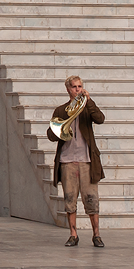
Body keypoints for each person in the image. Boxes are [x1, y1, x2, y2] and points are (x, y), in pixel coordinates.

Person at [46, 75, 106, 248]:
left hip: (87, 160)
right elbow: (51, 135)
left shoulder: (87, 108)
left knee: (91, 199)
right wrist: (58, 129)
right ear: (68, 89)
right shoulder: (61, 110)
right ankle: (73, 235)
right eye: (74, 87)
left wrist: (89, 101)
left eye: (80, 86)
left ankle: (96, 235)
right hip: (67, 160)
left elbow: (100, 119)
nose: (78, 89)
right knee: (70, 199)